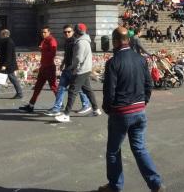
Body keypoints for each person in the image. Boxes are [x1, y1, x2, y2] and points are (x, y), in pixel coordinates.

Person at [97, 27, 163, 192]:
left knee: (113, 151)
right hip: (139, 111)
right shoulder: (140, 59)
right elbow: (149, 84)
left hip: (121, 112)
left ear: (116, 41)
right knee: (140, 149)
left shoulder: (113, 62)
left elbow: (109, 92)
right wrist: (143, 102)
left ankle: (115, 186)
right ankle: (156, 184)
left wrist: (108, 109)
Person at [55, 23, 101, 122]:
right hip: (86, 69)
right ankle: (96, 109)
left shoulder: (80, 43)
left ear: (75, 32)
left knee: (72, 91)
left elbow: (78, 59)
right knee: (88, 90)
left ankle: (66, 115)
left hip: (81, 70)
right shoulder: (86, 40)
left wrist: (74, 68)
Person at [44, 25, 90, 116]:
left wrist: (76, 68)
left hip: (74, 70)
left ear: (73, 32)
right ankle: (57, 108)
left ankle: (86, 104)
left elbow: (78, 57)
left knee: (79, 89)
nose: (67, 33)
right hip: (67, 69)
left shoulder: (76, 42)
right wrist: (62, 64)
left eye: (69, 31)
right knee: (61, 88)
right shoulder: (67, 42)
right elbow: (66, 55)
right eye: (65, 32)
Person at [19, 26, 58, 113]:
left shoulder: (52, 40)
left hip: (49, 67)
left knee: (53, 87)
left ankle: (59, 104)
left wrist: (43, 50)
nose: (43, 34)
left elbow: (53, 53)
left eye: (45, 32)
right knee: (37, 87)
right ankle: (31, 105)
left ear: (49, 32)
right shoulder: (44, 40)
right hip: (43, 67)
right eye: (42, 32)